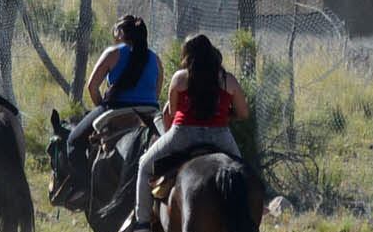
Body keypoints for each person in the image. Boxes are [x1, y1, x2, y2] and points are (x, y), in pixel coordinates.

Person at [132, 32, 249, 198]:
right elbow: (243, 113)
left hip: (183, 134)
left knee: (144, 164)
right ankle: (248, 216)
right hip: (220, 136)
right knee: (242, 173)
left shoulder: (180, 78)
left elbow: (171, 112)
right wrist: (228, 116)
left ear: (188, 55)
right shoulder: (228, 80)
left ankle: (142, 220)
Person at [83, 13, 161, 140]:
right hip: (150, 112)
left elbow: (92, 87)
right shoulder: (155, 59)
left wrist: (102, 106)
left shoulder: (112, 53)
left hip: (118, 109)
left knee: (73, 140)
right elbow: (156, 92)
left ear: (120, 33)